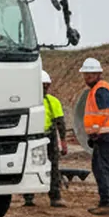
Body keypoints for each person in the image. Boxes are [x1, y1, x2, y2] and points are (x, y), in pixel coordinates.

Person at [81, 57, 109, 214]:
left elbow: (103, 112)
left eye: (91, 74)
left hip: (104, 134)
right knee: (106, 166)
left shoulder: (100, 89)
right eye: (86, 74)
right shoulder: (99, 89)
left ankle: (107, 202)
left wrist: (95, 132)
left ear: (99, 74)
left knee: (101, 168)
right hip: (107, 134)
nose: (87, 77)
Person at [23, 69, 68, 207]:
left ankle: (54, 196)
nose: (44, 88)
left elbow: (60, 123)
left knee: (53, 166)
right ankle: (29, 196)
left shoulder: (52, 101)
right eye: (43, 85)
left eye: (46, 85)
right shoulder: (27, 100)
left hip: (48, 136)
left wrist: (63, 141)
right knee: (29, 165)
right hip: (32, 136)